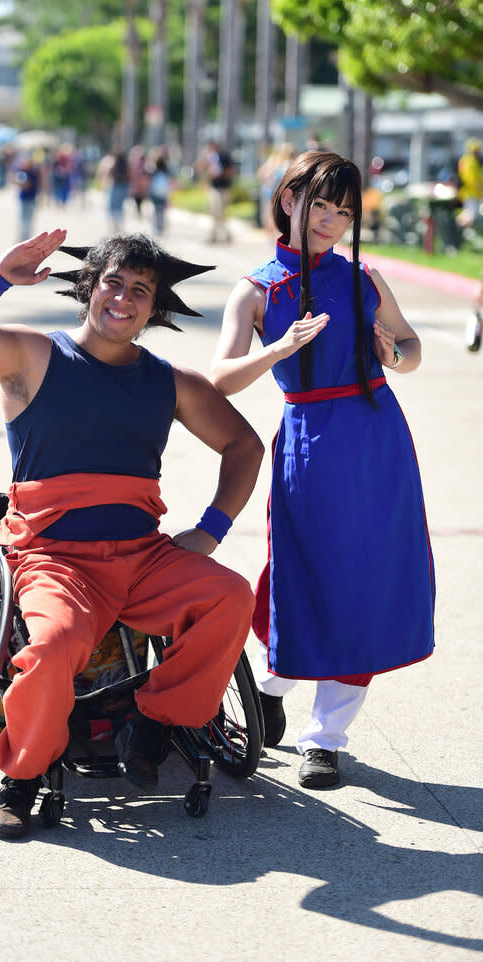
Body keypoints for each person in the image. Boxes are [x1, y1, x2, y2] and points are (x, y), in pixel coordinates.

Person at [0, 229, 264, 838]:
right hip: (54, 560)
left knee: (231, 595)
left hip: (142, 555)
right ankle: (24, 775)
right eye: (113, 281)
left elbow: (243, 444)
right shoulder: (33, 356)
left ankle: (156, 720)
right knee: (53, 648)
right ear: (89, 286)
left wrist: (212, 529)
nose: (124, 298)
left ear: (155, 307)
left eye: (141, 289)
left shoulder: (170, 382)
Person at [210, 150, 435, 790]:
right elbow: (218, 379)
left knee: (364, 579)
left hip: (376, 439)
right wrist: (279, 349)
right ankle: (273, 674)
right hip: (308, 437)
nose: (331, 221)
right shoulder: (255, 291)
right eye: (320, 206)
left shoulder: (364, 278)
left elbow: (411, 347)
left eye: (344, 211)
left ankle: (326, 739)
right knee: (301, 568)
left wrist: (396, 353)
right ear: (288, 201)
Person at [195, 140, 236, 244]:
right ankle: (214, 235)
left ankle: (224, 235)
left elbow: (231, 171)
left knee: (222, 213)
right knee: (214, 212)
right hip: (214, 188)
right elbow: (199, 168)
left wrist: (220, 174)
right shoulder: (209, 158)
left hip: (224, 188)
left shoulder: (225, 157)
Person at [457, 138, 483, 226]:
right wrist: (480, 191)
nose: (478, 152)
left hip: (468, 193)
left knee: (469, 213)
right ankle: (460, 229)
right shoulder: (472, 162)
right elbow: (472, 180)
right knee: (470, 215)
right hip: (472, 193)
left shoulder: (464, 160)